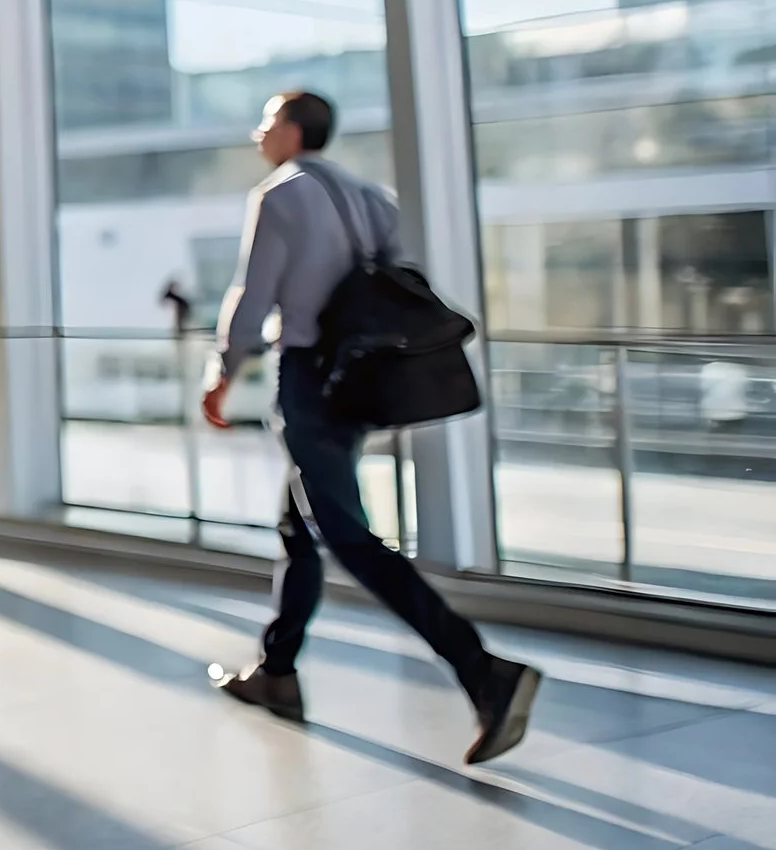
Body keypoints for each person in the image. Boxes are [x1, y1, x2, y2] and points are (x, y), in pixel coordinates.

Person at [203, 90, 541, 765]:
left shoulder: (279, 194)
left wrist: (220, 373)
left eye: (267, 121)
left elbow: (253, 294)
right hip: (357, 378)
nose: (258, 133)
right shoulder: (370, 195)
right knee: (301, 525)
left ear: (294, 130)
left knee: (345, 534)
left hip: (305, 375)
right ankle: (277, 671)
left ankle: (482, 670)